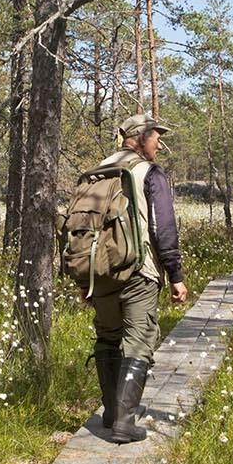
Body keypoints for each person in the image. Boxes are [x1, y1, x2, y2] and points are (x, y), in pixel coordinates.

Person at [89, 112, 187, 444]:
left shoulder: (99, 171)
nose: (160, 144)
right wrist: (175, 273)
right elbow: (163, 227)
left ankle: (111, 413)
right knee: (139, 341)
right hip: (138, 271)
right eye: (156, 137)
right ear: (140, 137)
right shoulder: (148, 172)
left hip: (99, 273)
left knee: (107, 338)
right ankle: (124, 423)